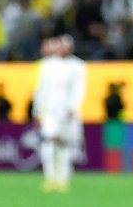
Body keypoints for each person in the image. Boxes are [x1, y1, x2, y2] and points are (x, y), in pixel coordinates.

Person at [33, 35, 87, 193]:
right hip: (50, 110)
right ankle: (50, 177)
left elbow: (79, 88)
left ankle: (63, 178)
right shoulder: (46, 65)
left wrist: (73, 106)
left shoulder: (78, 66)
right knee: (48, 143)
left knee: (65, 144)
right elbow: (41, 89)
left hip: (67, 112)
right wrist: (37, 109)